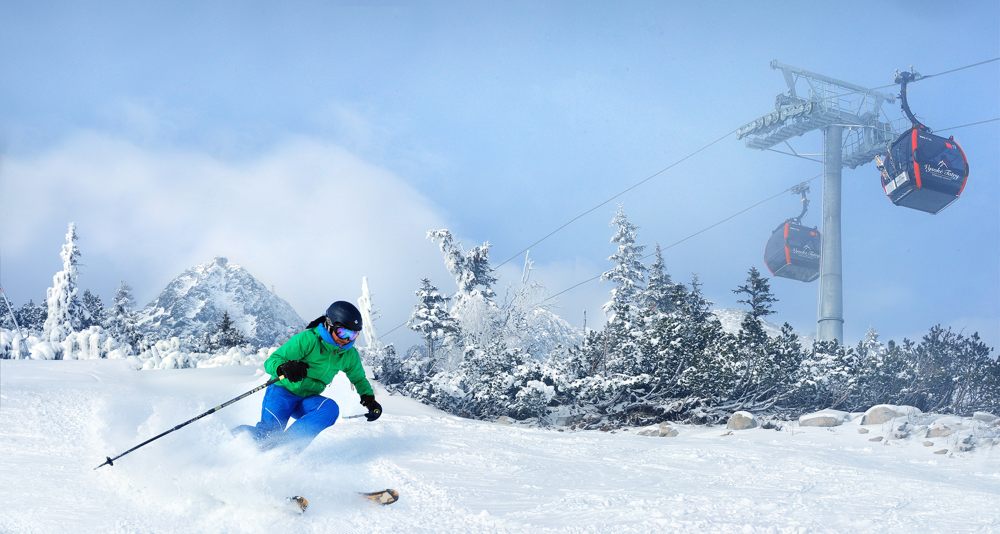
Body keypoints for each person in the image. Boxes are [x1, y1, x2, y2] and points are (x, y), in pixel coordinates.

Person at [233, 301, 382, 452]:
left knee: (329, 409)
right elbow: (271, 361)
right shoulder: (308, 339)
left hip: (307, 398)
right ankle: (231, 438)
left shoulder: (348, 354)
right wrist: (283, 368)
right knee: (267, 435)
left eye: (353, 334)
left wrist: (369, 400)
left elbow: (358, 378)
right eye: (342, 332)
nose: (347, 340)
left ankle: (285, 449)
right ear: (329, 325)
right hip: (282, 392)